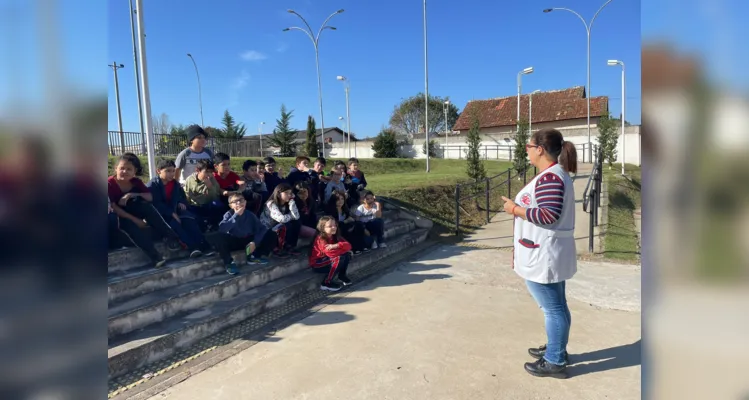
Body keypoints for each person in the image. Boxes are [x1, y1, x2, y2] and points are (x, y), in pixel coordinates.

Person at [500, 128, 578, 379]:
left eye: (528, 147)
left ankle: (555, 360)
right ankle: (557, 349)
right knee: (558, 306)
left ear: (540, 149)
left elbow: (547, 215)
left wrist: (515, 209)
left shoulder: (550, 178)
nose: (527, 151)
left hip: (544, 253)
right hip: (549, 250)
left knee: (553, 309)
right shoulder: (554, 175)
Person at [108, 153, 180, 268]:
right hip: (119, 216)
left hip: (133, 210)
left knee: (146, 206)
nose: (125, 171)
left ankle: (170, 236)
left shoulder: (136, 182)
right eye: (122, 168)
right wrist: (137, 221)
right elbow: (114, 208)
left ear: (134, 171)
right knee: (131, 227)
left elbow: (150, 197)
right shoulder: (109, 183)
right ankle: (155, 257)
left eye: (129, 169)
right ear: (116, 168)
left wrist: (131, 194)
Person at [147, 159, 215, 258]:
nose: (171, 174)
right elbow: (156, 204)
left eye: (173, 171)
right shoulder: (153, 185)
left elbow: (182, 197)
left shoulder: (175, 184)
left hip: (176, 211)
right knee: (175, 224)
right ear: (158, 171)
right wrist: (171, 213)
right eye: (168, 171)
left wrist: (181, 203)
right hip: (161, 215)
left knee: (190, 221)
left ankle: (205, 247)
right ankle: (193, 248)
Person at [209, 193, 277, 275]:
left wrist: (255, 242)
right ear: (231, 206)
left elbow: (262, 228)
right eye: (235, 201)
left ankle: (255, 256)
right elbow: (222, 228)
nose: (239, 203)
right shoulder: (229, 214)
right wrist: (236, 215)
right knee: (218, 236)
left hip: (247, 241)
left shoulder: (250, 214)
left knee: (271, 234)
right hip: (234, 241)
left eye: (241, 200)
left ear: (245, 202)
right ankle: (229, 263)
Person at [309, 216, 353, 291]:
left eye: (335, 225)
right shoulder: (320, 238)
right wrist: (343, 249)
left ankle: (342, 276)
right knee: (339, 257)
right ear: (322, 228)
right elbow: (331, 253)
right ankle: (326, 283)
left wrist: (337, 245)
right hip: (318, 264)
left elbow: (349, 245)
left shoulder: (335, 235)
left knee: (347, 254)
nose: (334, 227)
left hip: (328, 261)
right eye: (330, 226)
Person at [260, 183, 302, 258]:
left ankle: (290, 245)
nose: (289, 195)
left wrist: (292, 203)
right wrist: (291, 216)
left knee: (296, 222)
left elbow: (297, 216)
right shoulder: (271, 203)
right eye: (286, 193)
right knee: (285, 224)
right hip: (268, 229)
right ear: (278, 194)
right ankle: (276, 248)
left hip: (278, 225)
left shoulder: (288, 203)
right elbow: (281, 218)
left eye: (290, 193)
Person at [184, 159, 226, 230]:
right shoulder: (190, 180)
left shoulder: (212, 179)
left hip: (208, 204)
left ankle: (215, 224)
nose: (209, 174)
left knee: (218, 205)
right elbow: (187, 195)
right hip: (196, 205)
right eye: (206, 172)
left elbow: (216, 196)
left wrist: (210, 187)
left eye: (211, 172)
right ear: (198, 170)